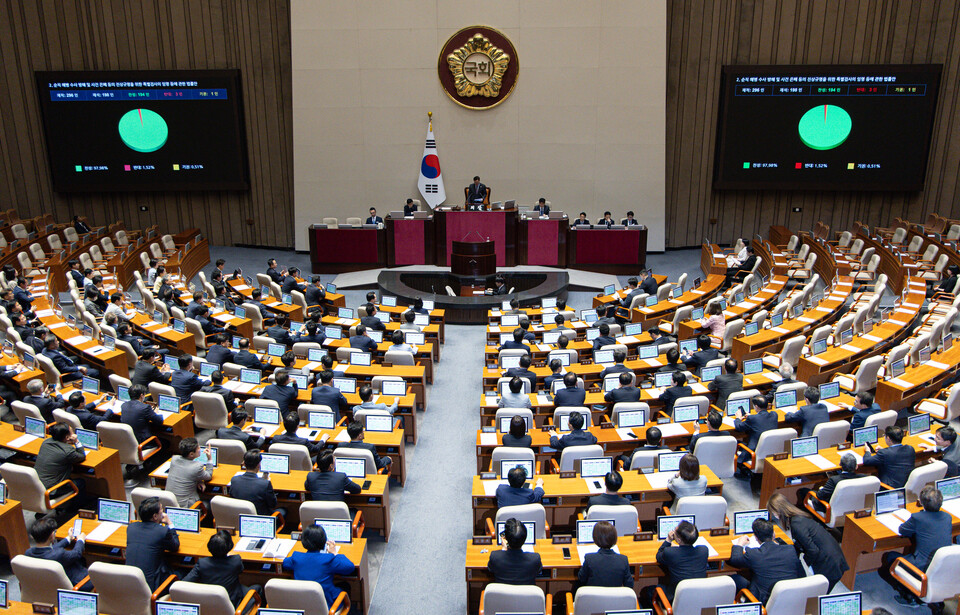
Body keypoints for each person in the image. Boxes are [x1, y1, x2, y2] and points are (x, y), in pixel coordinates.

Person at [879, 485, 953, 605]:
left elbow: (902, 530)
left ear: (922, 502)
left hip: (922, 568)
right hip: (942, 568)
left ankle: (909, 595)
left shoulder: (918, 518)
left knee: (890, 557)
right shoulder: (947, 517)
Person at [767, 492, 848, 591]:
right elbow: (802, 543)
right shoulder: (799, 517)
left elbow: (813, 550)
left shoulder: (796, 524)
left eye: (773, 512)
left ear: (778, 510)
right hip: (833, 558)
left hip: (830, 565)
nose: (774, 516)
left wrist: (806, 565)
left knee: (816, 594)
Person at [728, 518, 805, 604]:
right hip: (791, 598)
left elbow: (735, 560)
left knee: (734, 578)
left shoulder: (754, 554)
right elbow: (802, 575)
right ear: (773, 534)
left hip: (764, 602)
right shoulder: (791, 550)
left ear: (756, 537)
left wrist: (740, 544)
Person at [282, 525, 355, 611]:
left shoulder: (296, 557)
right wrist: (334, 553)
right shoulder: (328, 559)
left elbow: (285, 563)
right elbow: (350, 567)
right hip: (326, 606)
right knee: (345, 586)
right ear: (324, 542)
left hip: (302, 604)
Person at [184, 529, 262, 607]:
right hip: (232, 605)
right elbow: (240, 570)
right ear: (230, 546)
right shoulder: (235, 560)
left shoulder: (202, 563)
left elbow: (184, 583)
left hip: (207, 604)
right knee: (257, 588)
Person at [646, 520, 708, 606]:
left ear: (678, 540)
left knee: (648, 591)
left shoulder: (670, 552)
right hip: (698, 597)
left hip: (675, 599)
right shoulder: (703, 551)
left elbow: (659, 556)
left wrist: (668, 540)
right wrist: (678, 547)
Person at [126, 497, 180, 590]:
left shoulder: (131, 527)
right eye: (161, 510)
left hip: (129, 583)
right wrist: (169, 523)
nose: (163, 512)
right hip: (151, 587)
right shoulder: (162, 531)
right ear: (155, 516)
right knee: (182, 573)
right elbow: (175, 546)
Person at [26, 517, 93, 590]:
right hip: (78, 583)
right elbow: (77, 553)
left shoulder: (28, 553)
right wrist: (80, 539)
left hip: (48, 585)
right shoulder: (59, 554)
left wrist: (68, 538)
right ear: (51, 535)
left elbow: (50, 549)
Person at [35, 422, 87, 506]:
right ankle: (74, 508)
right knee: (81, 482)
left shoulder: (46, 442)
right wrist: (76, 441)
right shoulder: (67, 451)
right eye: (71, 431)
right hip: (52, 490)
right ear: (67, 437)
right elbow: (81, 456)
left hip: (38, 485)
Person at [487, 518, 542, 585]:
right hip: (525, 592)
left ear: (506, 538)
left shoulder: (495, 557)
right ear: (525, 539)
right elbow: (538, 570)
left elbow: (491, 569)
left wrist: (503, 549)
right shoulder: (535, 559)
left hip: (503, 592)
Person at [578, 521, 632, 588]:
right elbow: (629, 585)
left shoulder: (589, 559)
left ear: (595, 538)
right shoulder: (623, 560)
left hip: (593, 595)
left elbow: (581, 578)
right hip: (614, 595)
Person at [230, 450, 283, 517]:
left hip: (240, 516)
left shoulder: (234, 480)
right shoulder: (265, 484)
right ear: (259, 465)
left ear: (244, 464)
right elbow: (273, 505)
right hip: (260, 518)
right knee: (283, 510)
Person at [166, 437, 213, 507]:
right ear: (191, 454)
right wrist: (209, 459)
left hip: (170, 504)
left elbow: (186, 474)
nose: (200, 449)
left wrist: (198, 480)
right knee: (209, 504)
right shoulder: (197, 467)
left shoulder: (174, 459)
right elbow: (208, 476)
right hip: (186, 507)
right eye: (198, 448)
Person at [734, 395, 778, 467]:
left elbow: (739, 427)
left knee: (738, 443)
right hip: (770, 450)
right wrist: (752, 416)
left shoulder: (753, 419)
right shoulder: (774, 415)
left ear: (756, 406)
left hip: (753, 452)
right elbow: (762, 420)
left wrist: (738, 418)